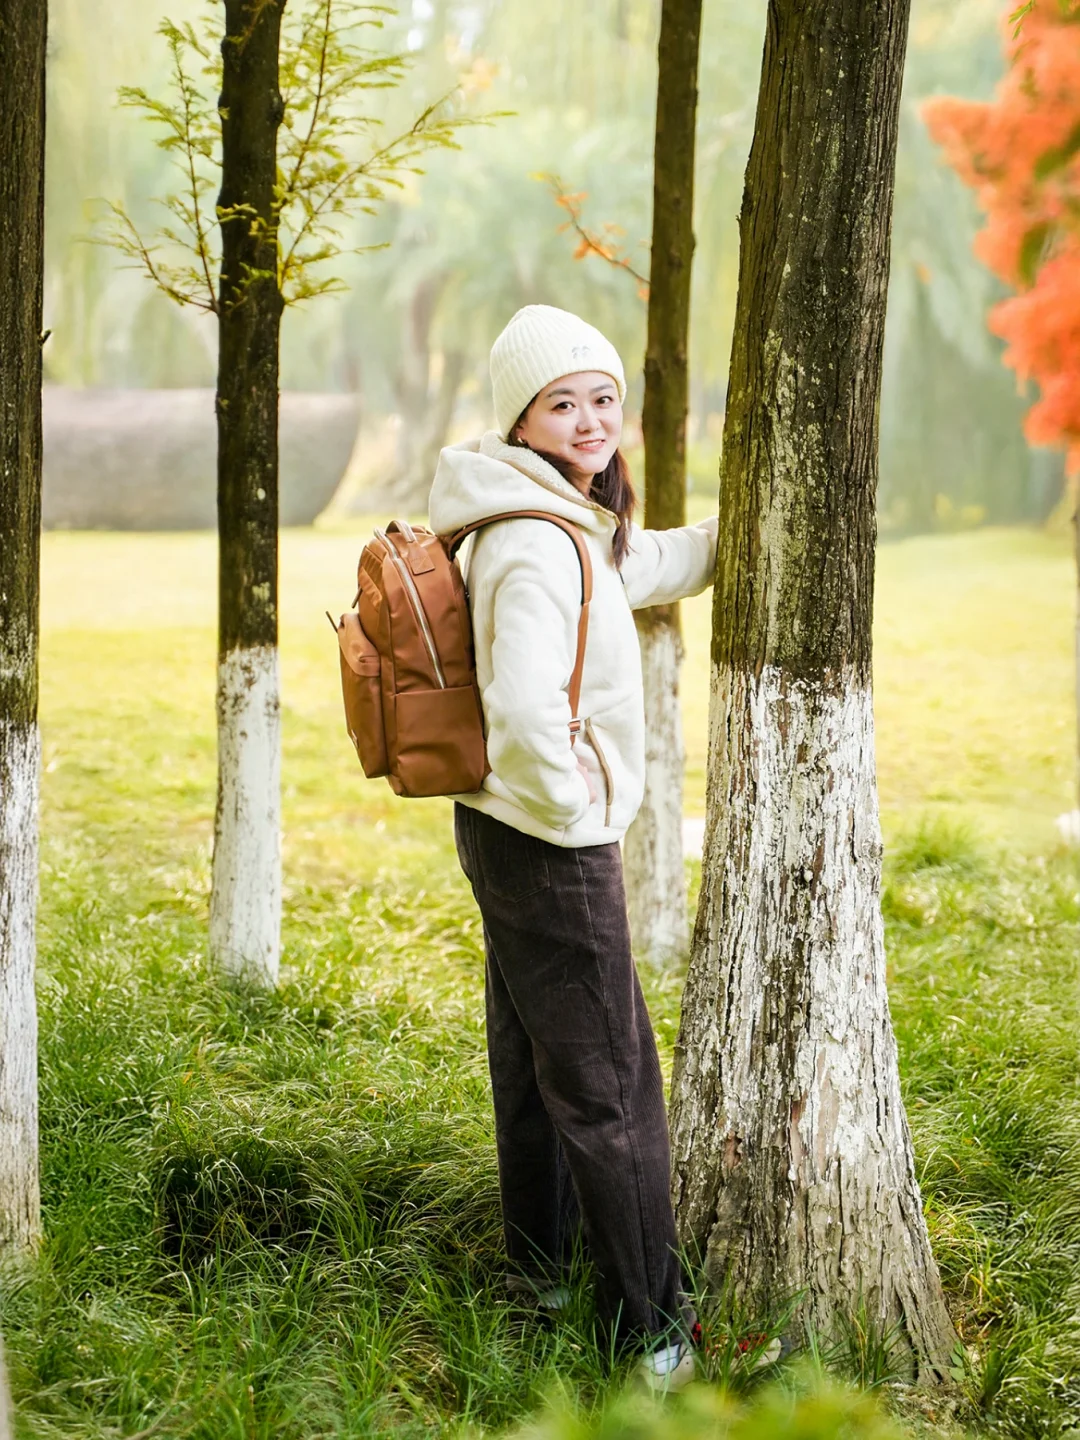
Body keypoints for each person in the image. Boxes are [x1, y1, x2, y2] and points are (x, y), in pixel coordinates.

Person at [427, 304, 718, 1392]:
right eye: (564, 402)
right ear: (523, 418)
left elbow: (632, 573)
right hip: (549, 834)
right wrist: (583, 811)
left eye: (603, 397)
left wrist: (733, 543)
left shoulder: (552, 519)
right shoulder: (538, 542)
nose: (592, 419)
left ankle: (542, 1274)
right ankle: (653, 1331)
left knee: (537, 1057)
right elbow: (524, 713)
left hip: (502, 826)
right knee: (611, 1082)